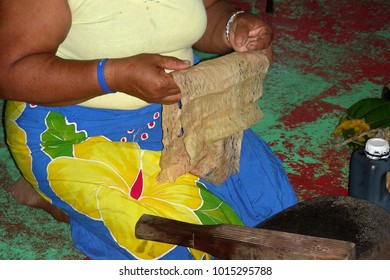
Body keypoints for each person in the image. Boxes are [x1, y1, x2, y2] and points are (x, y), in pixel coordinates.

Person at [0, 0, 297, 260]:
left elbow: (208, 9)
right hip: (75, 132)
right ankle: (63, 200)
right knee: (183, 248)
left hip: (180, 114)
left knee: (275, 215)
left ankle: (68, 198)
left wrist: (234, 25)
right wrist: (113, 76)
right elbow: (11, 71)